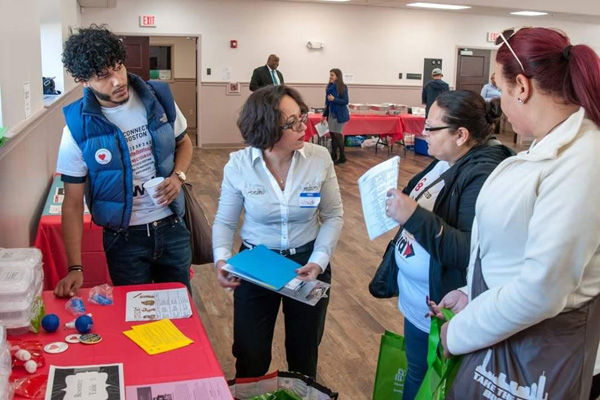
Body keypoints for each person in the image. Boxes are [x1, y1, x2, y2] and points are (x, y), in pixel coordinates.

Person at [430, 27, 600, 399]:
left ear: (521, 87)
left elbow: (542, 289)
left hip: (538, 351)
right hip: (503, 329)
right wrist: (471, 291)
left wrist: (456, 334)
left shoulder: (584, 160)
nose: (498, 101)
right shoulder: (549, 147)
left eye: (498, 87)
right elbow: (515, 249)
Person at [384, 90, 513, 400]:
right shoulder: (445, 159)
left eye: (431, 127)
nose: (423, 133)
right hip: (420, 302)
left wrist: (412, 216)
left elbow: (466, 251)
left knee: (435, 384)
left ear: (461, 135)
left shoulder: (483, 172)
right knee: (417, 373)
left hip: (445, 307)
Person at [212, 85, 343, 379]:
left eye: (303, 116)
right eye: (292, 123)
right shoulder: (240, 165)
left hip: (307, 264)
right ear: (267, 130)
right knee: (250, 353)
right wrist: (222, 260)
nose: (303, 126)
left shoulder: (319, 158)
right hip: (257, 265)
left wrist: (319, 261)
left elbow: (333, 215)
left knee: (304, 351)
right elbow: (224, 222)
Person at [54, 25, 194, 297]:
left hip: (172, 227)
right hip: (124, 240)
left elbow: (183, 142)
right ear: (84, 81)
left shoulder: (158, 99)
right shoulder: (77, 128)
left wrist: (178, 177)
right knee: (137, 319)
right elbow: (71, 204)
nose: (117, 80)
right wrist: (75, 267)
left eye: (118, 67)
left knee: (181, 309)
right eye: (103, 76)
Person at [321, 68, 350, 165]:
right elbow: (327, 103)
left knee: (338, 134)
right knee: (332, 135)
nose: (330, 77)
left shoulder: (343, 87)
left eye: (332, 75)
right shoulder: (329, 87)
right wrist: (324, 115)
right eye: (330, 75)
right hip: (331, 114)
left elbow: (345, 101)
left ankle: (342, 156)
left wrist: (334, 99)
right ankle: (333, 155)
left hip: (339, 115)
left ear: (338, 76)